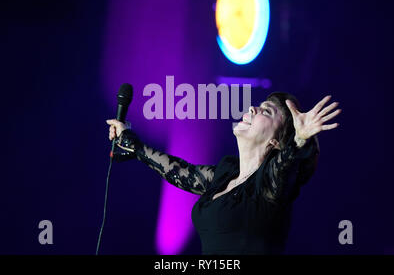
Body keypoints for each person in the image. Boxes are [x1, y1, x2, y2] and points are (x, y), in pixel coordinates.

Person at [106, 92, 341, 254]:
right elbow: (180, 171)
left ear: (276, 142)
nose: (253, 108)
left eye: (267, 112)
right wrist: (133, 143)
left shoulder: (271, 186)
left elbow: (285, 167)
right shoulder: (225, 174)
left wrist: (299, 139)